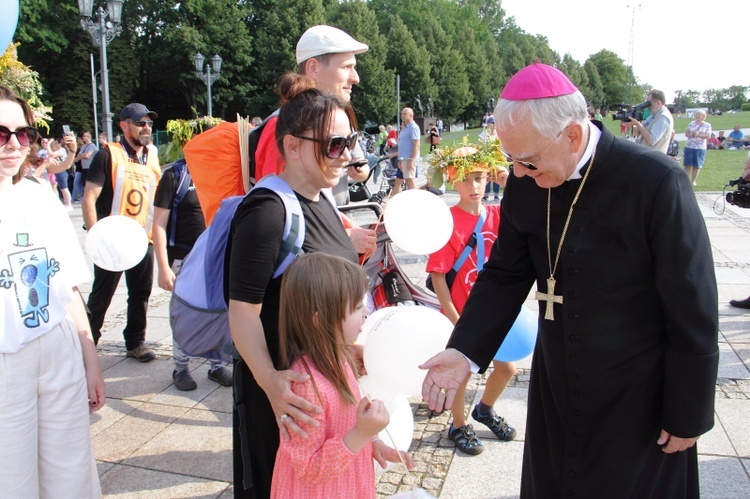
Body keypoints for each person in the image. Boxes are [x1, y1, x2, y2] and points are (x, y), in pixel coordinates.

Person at [421, 62, 719, 498]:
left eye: (528, 161)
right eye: (512, 161)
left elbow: (692, 302)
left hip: (637, 390)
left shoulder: (655, 180)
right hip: (558, 381)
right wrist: (463, 351)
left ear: (573, 136)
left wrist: (688, 411)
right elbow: (504, 275)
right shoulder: (528, 182)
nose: (518, 174)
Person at [228, 73, 361, 498]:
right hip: (286, 395)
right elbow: (242, 310)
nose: (346, 155)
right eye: (334, 145)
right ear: (292, 145)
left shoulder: (323, 200)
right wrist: (269, 380)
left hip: (323, 385)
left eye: (350, 141)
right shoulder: (267, 212)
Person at [0, 85, 105, 497]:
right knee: (12, 477)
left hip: (57, 347)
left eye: (22, 134)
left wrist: (90, 360)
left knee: (71, 472)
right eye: (1, 134)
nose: (13, 144)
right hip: (7, 361)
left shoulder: (39, 195)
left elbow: (67, 286)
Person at [270, 253, 413, 497]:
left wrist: (373, 442)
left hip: (346, 480)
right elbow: (309, 468)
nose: (367, 311)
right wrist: (361, 434)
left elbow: (346, 419)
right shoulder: (306, 385)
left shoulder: (339, 357)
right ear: (321, 319)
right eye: (357, 306)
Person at [252, 25, 374, 255]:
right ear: (314, 68)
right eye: (347, 67)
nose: (355, 78)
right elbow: (273, 215)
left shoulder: (327, 120)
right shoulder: (281, 126)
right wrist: (345, 237)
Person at [426, 140, 514, 456]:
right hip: (461, 315)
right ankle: (458, 425)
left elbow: (529, 207)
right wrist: (455, 318)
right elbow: (438, 275)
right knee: (460, 374)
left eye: (479, 177)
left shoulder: (497, 215)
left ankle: (485, 410)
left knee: (507, 369)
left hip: (491, 315)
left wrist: (507, 178)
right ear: (452, 179)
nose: (473, 185)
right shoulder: (446, 221)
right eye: (465, 178)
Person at [82, 103, 161, 361]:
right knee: (101, 295)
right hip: (112, 240)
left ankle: (135, 342)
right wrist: (96, 237)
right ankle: (87, 343)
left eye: (148, 122)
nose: (146, 127)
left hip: (141, 239)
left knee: (140, 294)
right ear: (124, 125)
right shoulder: (107, 155)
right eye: (140, 122)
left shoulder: (153, 154)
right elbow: (89, 199)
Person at [152, 160, 233, 390]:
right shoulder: (175, 176)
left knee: (220, 312)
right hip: (184, 258)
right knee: (183, 313)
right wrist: (163, 267)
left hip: (215, 257)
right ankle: (181, 367)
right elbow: (158, 223)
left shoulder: (221, 170)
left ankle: (217, 365)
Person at [629, 89, 674, 154]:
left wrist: (638, 124)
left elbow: (652, 140)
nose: (647, 106)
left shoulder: (663, 118)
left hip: (653, 158)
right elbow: (639, 133)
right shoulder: (654, 116)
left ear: (658, 103)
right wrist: (630, 123)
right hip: (645, 156)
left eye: (649, 103)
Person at [392, 107, 420, 196]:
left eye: (405, 114)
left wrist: (411, 160)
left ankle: (417, 201)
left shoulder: (413, 128)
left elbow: (416, 144)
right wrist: (400, 159)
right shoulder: (405, 129)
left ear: (411, 116)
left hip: (409, 159)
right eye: (402, 114)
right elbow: (402, 145)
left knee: (410, 181)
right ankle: (395, 201)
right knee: (398, 181)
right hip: (403, 159)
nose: (402, 116)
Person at [683, 109, 712, 186]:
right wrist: (692, 134)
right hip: (690, 146)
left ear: (703, 116)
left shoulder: (707, 125)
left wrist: (698, 135)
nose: (697, 116)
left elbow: (708, 136)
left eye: (699, 115)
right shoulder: (691, 123)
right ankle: (685, 180)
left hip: (700, 147)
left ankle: (693, 181)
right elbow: (686, 133)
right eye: (697, 114)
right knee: (687, 164)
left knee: (697, 165)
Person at [73, 131, 98, 203]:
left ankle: (91, 198)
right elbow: (78, 157)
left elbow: (87, 156)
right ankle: (84, 197)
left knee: (89, 183)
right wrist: (82, 156)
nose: (83, 137)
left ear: (88, 137)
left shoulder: (92, 146)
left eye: (84, 136)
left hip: (89, 167)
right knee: (84, 183)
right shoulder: (83, 146)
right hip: (83, 168)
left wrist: (82, 156)